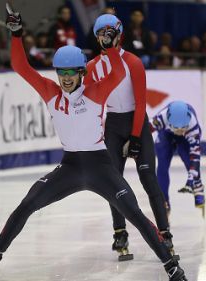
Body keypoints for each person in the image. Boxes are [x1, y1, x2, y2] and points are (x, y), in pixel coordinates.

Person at [0, 7, 187, 281]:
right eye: (62, 73)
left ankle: (170, 265)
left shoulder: (96, 92)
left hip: (101, 168)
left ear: (82, 73)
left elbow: (119, 74)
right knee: (26, 204)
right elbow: (21, 68)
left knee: (134, 213)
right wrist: (16, 35)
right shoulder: (50, 92)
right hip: (70, 168)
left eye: (72, 73)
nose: (66, 78)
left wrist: (110, 49)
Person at [83, 14, 174, 261]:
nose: (105, 37)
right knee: (114, 182)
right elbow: (92, 105)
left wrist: (135, 138)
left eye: (109, 33)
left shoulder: (132, 62)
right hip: (113, 125)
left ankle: (164, 234)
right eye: (101, 33)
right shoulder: (91, 67)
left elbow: (141, 101)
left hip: (137, 123)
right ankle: (120, 232)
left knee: (148, 180)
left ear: (119, 35)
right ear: (96, 37)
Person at [151, 101, 205, 214]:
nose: (180, 132)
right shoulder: (160, 119)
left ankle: (198, 186)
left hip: (185, 136)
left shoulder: (193, 127)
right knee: (162, 164)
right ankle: (164, 201)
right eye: (177, 129)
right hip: (166, 133)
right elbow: (144, 131)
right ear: (169, 121)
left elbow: (195, 157)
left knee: (188, 159)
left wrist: (192, 179)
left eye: (183, 129)